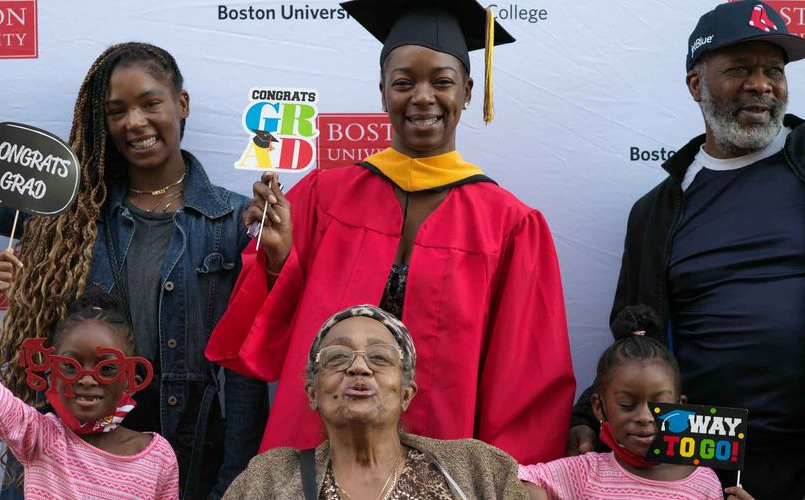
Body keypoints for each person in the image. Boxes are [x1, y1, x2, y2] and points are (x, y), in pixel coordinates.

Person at [567, 2, 805, 498]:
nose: (761, 84)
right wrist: (588, 412)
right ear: (696, 86)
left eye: (773, 70)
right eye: (740, 70)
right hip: (708, 472)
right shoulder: (656, 212)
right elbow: (636, 341)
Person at [0, 1, 267, 497]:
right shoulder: (69, 210)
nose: (134, 122)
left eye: (150, 103)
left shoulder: (234, 221)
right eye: (116, 111)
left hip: (182, 463)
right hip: (70, 469)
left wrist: (238, 485)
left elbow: (244, 377)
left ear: (181, 103)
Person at [205, 0, 575, 465]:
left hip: (440, 461)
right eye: (404, 83)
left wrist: (497, 479)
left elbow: (525, 378)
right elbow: (268, 340)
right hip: (317, 450)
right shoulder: (323, 195)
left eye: (442, 81)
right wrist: (276, 262)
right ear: (382, 93)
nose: (423, 97)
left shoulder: (509, 224)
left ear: (467, 91)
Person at [224, 305, 526, 499]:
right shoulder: (267, 479)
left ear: (406, 394)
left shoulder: (478, 469)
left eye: (379, 358)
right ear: (313, 393)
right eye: (338, 357)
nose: (358, 367)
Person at [0, 250, 178, 498]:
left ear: (132, 379)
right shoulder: (40, 436)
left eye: (106, 368)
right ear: (50, 371)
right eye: (70, 366)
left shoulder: (158, 457)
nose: (87, 379)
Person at [522, 307, 751, 500]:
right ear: (599, 407)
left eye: (658, 403)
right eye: (627, 405)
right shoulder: (584, 472)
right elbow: (510, 479)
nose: (644, 416)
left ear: (680, 405)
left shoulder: (704, 483)